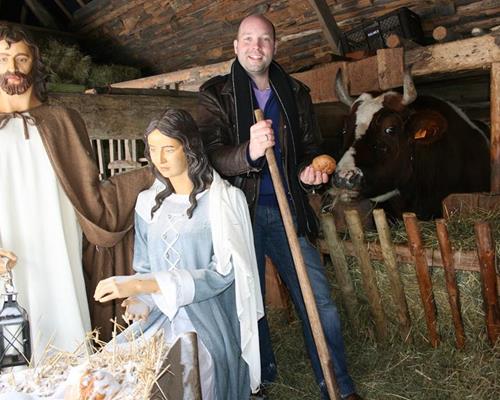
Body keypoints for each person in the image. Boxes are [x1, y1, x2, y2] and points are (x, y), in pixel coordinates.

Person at [197, 14, 362, 400]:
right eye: (248, 39)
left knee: (318, 301)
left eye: (265, 39)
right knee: (246, 304)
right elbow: (208, 156)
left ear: (275, 46)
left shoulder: (296, 92)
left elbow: (307, 150)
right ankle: (258, 380)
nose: (256, 47)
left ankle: (338, 386)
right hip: (239, 212)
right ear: (236, 47)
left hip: (288, 207)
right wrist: (249, 152)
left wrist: (310, 170)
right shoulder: (215, 94)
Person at [0, 25, 153, 360]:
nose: (12, 67)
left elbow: (89, 195)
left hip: (57, 248)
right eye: (3, 58)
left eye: (21, 58)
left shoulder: (62, 121)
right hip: (7, 251)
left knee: (63, 327)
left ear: (33, 65)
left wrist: (149, 176)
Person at [93, 109, 264, 399]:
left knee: (185, 376)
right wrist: (142, 299)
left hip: (207, 319)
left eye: (168, 149)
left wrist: (140, 285)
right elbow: (144, 264)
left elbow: (223, 273)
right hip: (158, 316)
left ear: (190, 148)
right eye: (153, 149)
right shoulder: (148, 203)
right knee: (110, 370)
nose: (159, 159)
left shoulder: (223, 201)